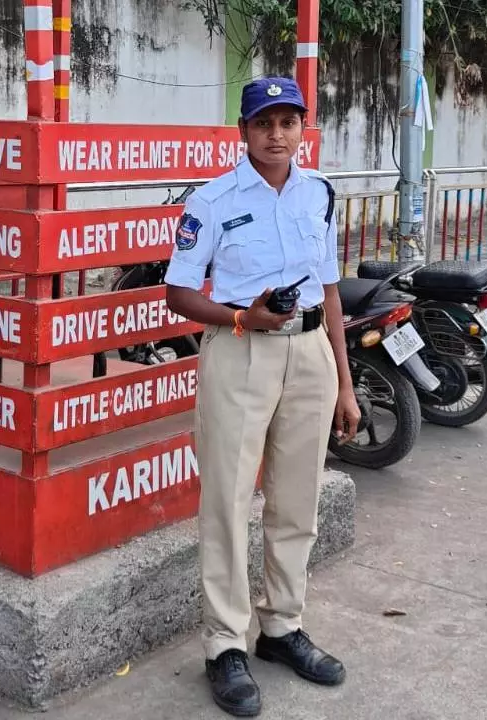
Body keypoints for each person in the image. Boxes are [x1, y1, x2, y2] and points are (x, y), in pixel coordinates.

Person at [163, 76, 362, 716]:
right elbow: (180, 292)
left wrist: (345, 382)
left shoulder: (319, 195)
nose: (276, 134)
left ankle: (281, 628)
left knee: (297, 500)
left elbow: (329, 289)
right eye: (263, 123)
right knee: (226, 499)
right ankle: (224, 645)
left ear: (303, 127)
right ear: (243, 132)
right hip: (241, 350)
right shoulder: (213, 200)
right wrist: (243, 317)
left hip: (310, 357)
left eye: (287, 121)